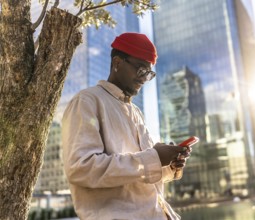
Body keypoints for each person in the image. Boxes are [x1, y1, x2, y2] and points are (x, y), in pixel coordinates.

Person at [62, 32, 191, 220]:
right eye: (141, 69)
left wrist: (168, 165)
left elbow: (140, 173)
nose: (144, 78)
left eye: (149, 73)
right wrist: (154, 157)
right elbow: (82, 168)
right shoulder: (87, 101)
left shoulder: (136, 112)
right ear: (117, 63)